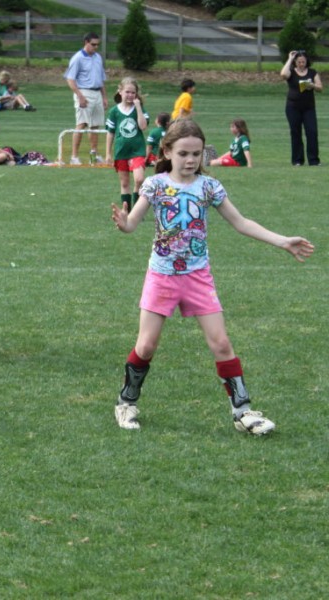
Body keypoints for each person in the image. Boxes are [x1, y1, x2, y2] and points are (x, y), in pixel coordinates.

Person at [110, 119, 314, 435]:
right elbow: (134, 222)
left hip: (198, 277)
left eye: (197, 153)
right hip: (162, 276)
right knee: (147, 345)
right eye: (183, 153)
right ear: (167, 151)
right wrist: (125, 224)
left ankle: (243, 412)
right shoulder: (154, 185)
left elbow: (242, 222)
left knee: (221, 343)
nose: (191, 160)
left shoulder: (210, 187)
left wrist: (282, 240)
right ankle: (126, 402)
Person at [64, 33, 107, 165]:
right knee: (82, 124)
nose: (95, 47)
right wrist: (80, 96)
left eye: (97, 45)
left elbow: (101, 79)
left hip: (97, 93)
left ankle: (93, 154)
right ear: (86, 42)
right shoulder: (77, 58)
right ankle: (74, 156)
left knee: (95, 125)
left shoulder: (98, 57)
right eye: (93, 44)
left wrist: (104, 97)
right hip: (84, 92)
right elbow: (70, 79)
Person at [106, 77, 148, 210]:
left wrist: (138, 107)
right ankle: (127, 211)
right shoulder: (114, 111)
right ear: (120, 91)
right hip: (121, 151)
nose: (130, 95)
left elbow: (143, 127)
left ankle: (137, 209)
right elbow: (110, 132)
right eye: (127, 92)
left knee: (139, 179)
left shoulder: (139, 109)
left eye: (133, 93)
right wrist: (108, 153)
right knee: (125, 183)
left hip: (137, 150)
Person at [280, 50, 322, 166]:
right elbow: (283, 74)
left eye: (303, 62)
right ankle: (297, 160)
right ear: (295, 62)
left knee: (312, 132)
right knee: (296, 133)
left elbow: (320, 88)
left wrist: (312, 85)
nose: (301, 64)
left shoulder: (312, 72)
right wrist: (289, 58)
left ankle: (313, 160)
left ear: (306, 61)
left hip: (309, 108)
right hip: (293, 108)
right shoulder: (291, 72)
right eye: (299, 62)